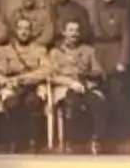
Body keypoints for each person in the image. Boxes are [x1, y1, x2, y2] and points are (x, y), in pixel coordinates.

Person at [0, 11, 49, 152]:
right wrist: (6, 82)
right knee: (13, 103)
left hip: (32, 85)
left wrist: (23, 79)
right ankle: (16, 141)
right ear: (15, 31)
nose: (24, 32)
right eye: (21, 29)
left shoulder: (39, 50)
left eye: (27, 29)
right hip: (12, 86)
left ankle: (32, 141)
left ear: (31, 32)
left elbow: (46, 70)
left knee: (32, 102)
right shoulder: (5, 51)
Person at [42, 12, 103, 151]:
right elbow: (50, 75)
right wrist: (70, 83)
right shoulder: (55, 52)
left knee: (98, 102)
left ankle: (95, 140)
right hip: (64, 88)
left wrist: (86, 77)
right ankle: (71, 141)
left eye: (76, 30)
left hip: (84, 85)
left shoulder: (88, 50)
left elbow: (98, 71)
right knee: (73, 102)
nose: (74, 34)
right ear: (63, 32)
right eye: (70, 30)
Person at [92, 0, 130, 144]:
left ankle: (121, 134)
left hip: (116, 53)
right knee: (101, 96)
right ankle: (103, 135)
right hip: (99, 55)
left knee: (118, 96)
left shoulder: (122, 12)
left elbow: (126, 37)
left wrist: (123, 60)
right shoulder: (94, 10)